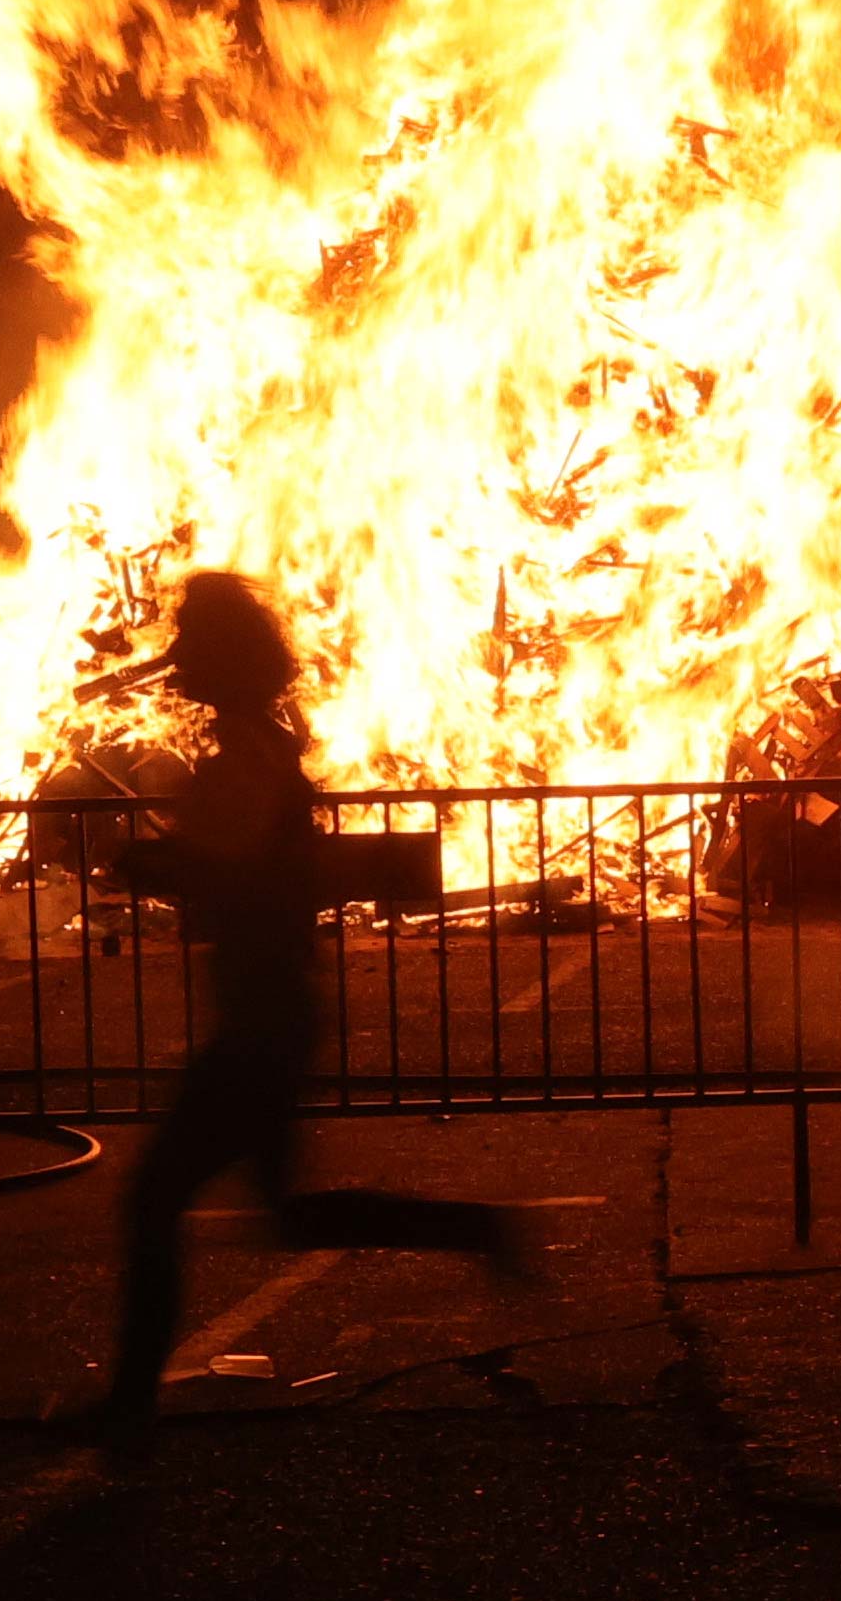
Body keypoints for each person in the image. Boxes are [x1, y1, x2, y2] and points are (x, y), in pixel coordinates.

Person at [78, 571, 531, 1448]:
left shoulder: (247, 753)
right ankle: (471, 1227)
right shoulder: (256, 744)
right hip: (269, 1002)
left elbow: (238, 870)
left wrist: (153, 866)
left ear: (220, 656)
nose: (175, 653)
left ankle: (129, 1406)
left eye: (189, 637)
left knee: (154, 1198)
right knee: (280, 1211)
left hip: (262, 1011)